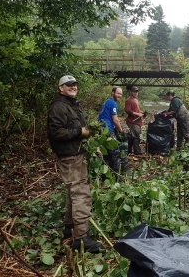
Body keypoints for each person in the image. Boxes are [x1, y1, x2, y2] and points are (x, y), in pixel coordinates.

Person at [47, 75, 104, 253]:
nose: (73, 87)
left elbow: (85, 130)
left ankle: (69, 228)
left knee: (73, 191)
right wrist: (80, 132)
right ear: (60, 88)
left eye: (74, 84)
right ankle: (81, 238)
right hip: (69, 156)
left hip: (77, 153)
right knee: (81, 194)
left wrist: (93, 147)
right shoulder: (58, 107)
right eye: (68, 85)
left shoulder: (73, 104)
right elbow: (56, 132)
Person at [98, 86, 129, 173]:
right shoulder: (112, 103)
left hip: (101, 129)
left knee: (107, 153)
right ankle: (117, 175)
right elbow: (115, 119)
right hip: (107, 130)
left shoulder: (107, 102)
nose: (120, 95)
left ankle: (105, 174)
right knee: (115, 153)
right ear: (112, 93)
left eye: (121, 94)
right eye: (118, 93)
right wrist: (121, 131)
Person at [125, 86, 145, 155]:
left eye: (137, 92)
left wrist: (141, 112)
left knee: (132, 136)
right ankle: (137, 151)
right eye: (134, 92)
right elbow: (127, 110)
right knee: (136, 136)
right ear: (131, 92)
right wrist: (137, 114)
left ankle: (129, 150)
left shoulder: (136, 100)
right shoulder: (129, 100)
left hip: (137, 121)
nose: (136, 93)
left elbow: (137, 110)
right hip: (132, 121)